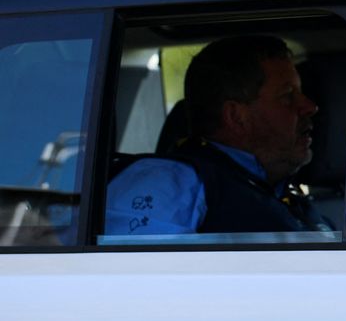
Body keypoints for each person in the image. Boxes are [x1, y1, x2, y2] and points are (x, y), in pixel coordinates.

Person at [105, 35, 327, 235]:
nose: (309, 106)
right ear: (236, 116)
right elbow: (129, 276)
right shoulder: (171, 183)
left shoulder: (288, 198)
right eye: (287, 96)